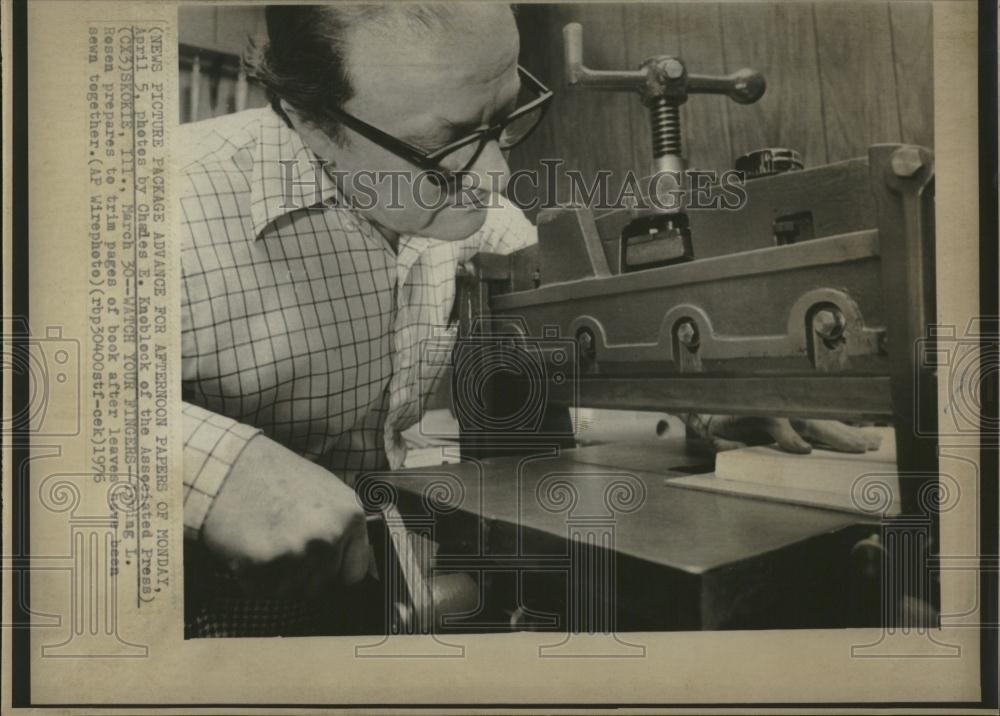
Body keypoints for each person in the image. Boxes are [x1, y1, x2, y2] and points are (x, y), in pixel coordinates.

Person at [180, 3, 879, 637]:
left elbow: (584, 322)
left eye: (506, 117)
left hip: (377, 604)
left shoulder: (466, 207)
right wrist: (211, 465)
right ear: (307, 117)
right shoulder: (160, 199)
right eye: (449, 144)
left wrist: (708, 399)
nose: (496, 180)